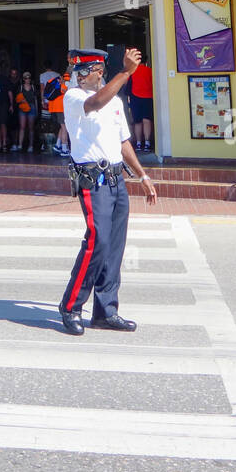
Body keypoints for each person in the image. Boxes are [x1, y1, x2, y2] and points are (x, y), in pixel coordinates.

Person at [59, 49, 157, 336]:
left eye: (96, 70)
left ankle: (105, 311)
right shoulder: (74, 97)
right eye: (90, 70)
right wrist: (126, 72)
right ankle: (71, 306)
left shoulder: (114, 101)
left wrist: (142, 175)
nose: (97, 74)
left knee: (114, 247)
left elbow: (123, 141)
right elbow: (94, 103)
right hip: (93, 178)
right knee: (97, 241)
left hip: (116, 178)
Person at [129, 55, 155, 153]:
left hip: (135, 98)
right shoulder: (150, 71)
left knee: (137, 122)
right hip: (148, 97)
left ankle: (139, 143)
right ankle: (147, 143)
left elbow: (126, 85)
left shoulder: (132, 71)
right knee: (147, 121)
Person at [43, 65, 69, 156]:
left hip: (54, 108)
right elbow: (67, 93)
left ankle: (58, 145)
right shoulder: (64, 84)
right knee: (65, 127)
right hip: (61, 108)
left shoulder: (52, 81)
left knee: (62, 127)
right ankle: (64, 149)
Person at [16, 71, 38, 152]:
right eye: (26, 78)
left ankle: (31, 145)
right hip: (22, 108)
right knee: (22, 127)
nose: (27, 79)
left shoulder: (33, 87)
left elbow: (35, 100)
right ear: (23, 79)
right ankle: (20, 145)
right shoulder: (20, 87)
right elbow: (17, 99)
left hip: (32, 107)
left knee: (31, 127)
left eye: (29, 78)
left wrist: (36, 110)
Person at [6, 66, 21, 150]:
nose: (13, 75)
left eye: (15, 74)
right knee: (10, 125)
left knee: (18, 125)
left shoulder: (20, 83)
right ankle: (12, 142)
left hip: (19, 105)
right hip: (10, 105)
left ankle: (17, 142)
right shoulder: (8, 82)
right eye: (12, 73)